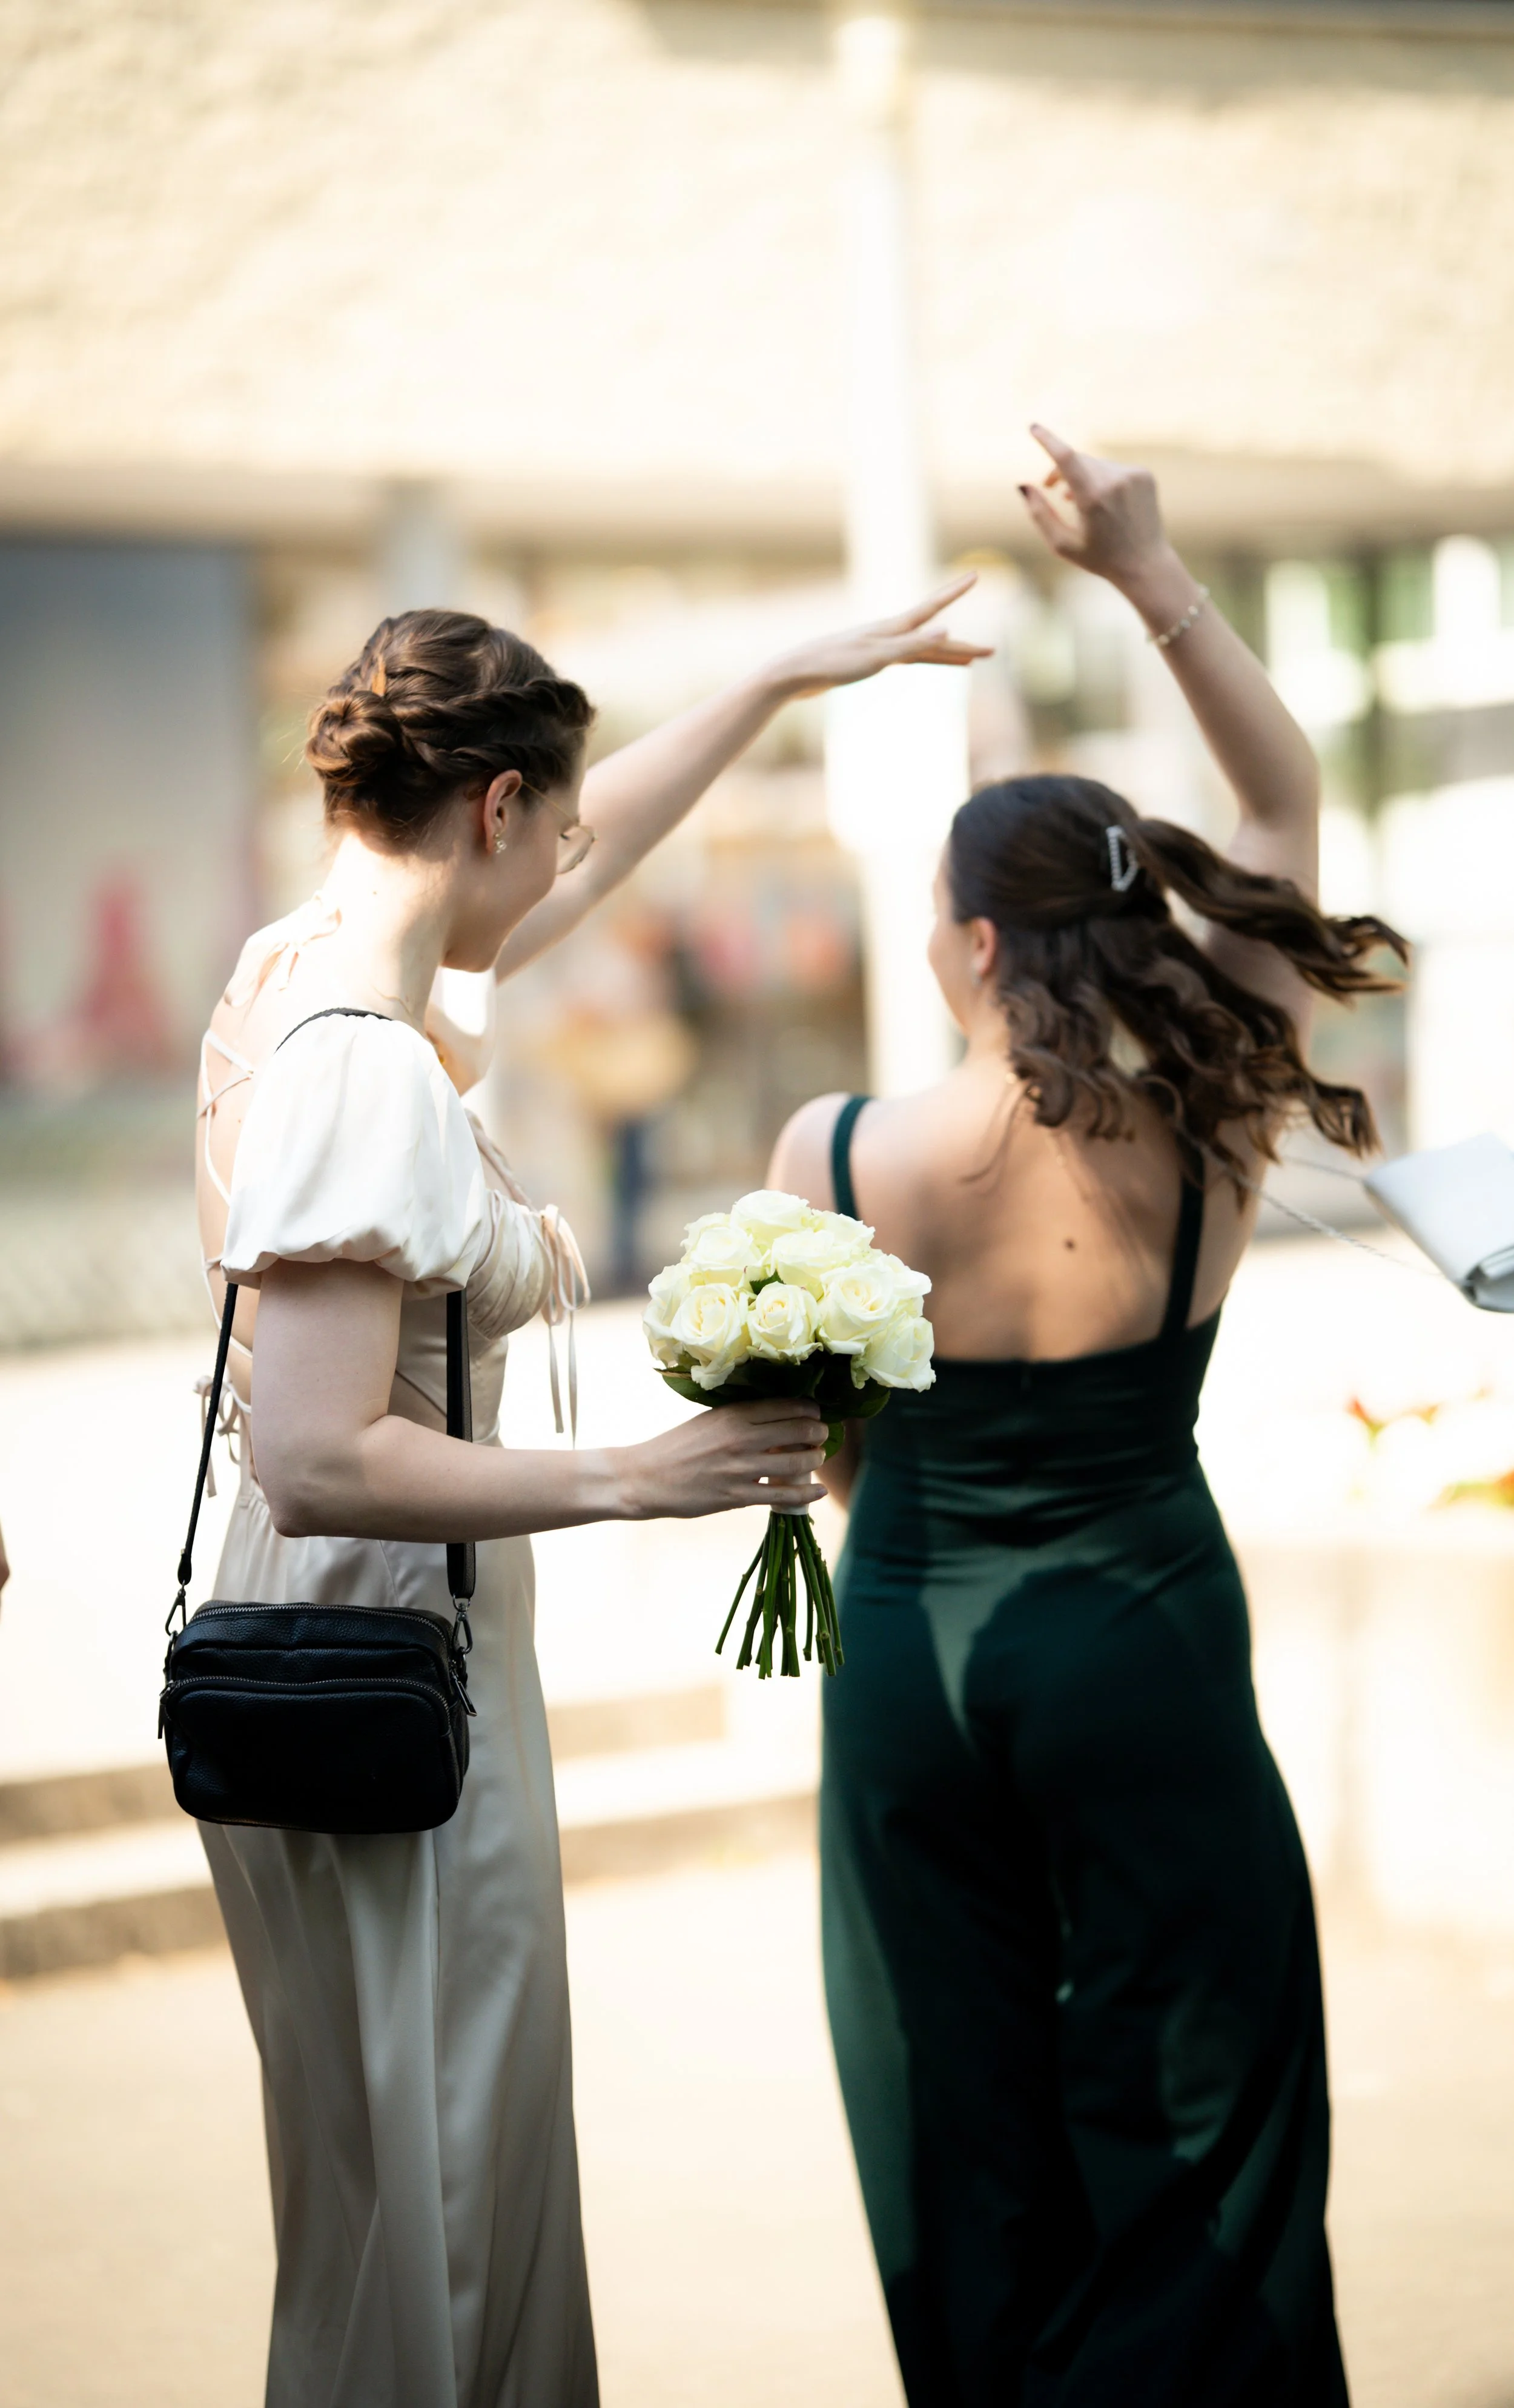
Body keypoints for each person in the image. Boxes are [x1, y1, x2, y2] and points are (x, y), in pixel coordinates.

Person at [193, 589, 987, 2408]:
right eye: (548, 827)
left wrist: (770, 678)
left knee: (383, 2186)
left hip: (336, 1637)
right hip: (386, 1651)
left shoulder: (289, 972)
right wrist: (643, 1474)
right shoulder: (365, 1062)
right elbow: (315, 1456)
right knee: (446, 2178)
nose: (569, 861)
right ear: (491, 809)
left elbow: (589, 838)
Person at [770, 429, 1406, 2407]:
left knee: (953, 2094)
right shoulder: (1214, 1114)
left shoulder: (841, 1148)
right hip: (1145, 1639)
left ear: (970, 941)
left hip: (916, 1650)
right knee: (1205, 2086)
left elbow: (818, 1449)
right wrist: (1144, 570)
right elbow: (1282, 800)